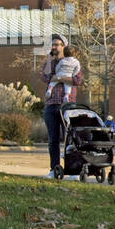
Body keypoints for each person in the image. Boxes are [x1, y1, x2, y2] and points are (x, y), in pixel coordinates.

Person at [41, 34, 82, 179]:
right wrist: (49, 61)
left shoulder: (73, 62)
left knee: (71, 139)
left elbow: (77, 80)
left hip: (67, 106)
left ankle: (74, 171)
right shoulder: (49, 62)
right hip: (51, 105)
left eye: (57, 44)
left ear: (64, 46)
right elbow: (45, 78)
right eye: (52, 45)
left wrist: (59, 77)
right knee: (53, 140)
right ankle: (54, 170)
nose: (54, 47)